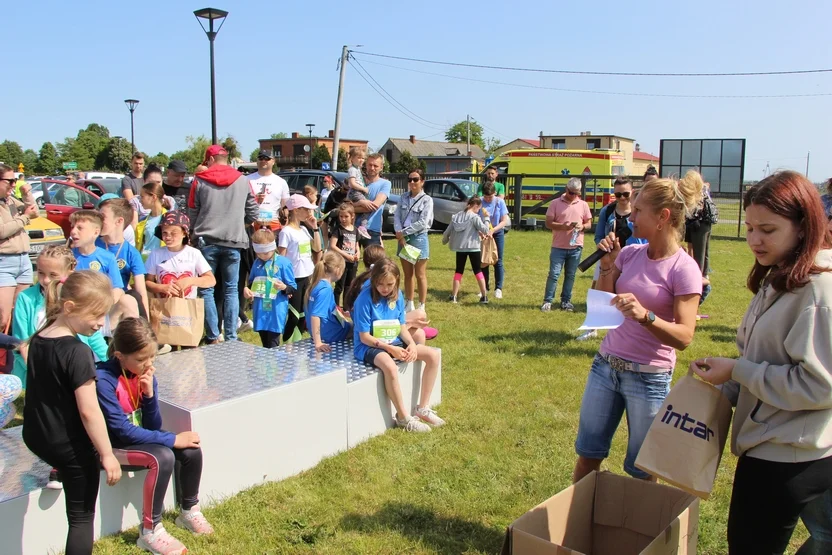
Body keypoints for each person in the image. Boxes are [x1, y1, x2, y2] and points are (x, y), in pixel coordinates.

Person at [690, 171, 832, 554]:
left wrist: (738, 371)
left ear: (803, 226)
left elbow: (820, 386)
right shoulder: (780, 276)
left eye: (767, 229)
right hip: (776, 445)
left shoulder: (817, 289)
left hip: (789, 456)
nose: (754, 239)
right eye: (750, 227)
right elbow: (761, 358)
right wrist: (721, 383)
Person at [572, 173, 702, 484]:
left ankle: (635, 530)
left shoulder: (684, 269)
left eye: (639, 209)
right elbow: (604, 309)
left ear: (663, 217)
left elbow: (685, 337)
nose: (632, 215)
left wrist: (647, 316)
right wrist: (606, 264)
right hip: (606, 368)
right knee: (588, 454)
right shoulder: (629, 253)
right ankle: (574, 526)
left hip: (649, 379)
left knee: (642, 470)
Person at [22, 271, 122, 555]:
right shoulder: (78, 352)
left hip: (37, 436)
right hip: (69, 447)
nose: (101, 323)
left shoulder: (39, 336)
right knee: (81, 518)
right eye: (96, 315)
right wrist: (106, 454)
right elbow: (90, 412)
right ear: (69, 308)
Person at [96, 318, 214, 554]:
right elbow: (121, 430)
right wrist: (172, 439)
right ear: (119, 356)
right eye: (141, 359)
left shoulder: (145, 374)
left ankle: (189, 510)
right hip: (112, 446)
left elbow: (153, 425)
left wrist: (149, 395)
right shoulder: (103, 380)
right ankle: (150, 530)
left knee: (191, 449)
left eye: (152, 357)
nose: (148, 364)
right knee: (162, 457)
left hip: (137, 439)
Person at [351, 259, 443, 433]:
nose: (385, 288)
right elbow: (364, 337)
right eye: (380, 284)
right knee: (389, 366)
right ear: (374, 281)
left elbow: (401, 326)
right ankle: (403, 417)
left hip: (392, 340)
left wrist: (412, 344)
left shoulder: (398, 295)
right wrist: (389, 348)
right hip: (369, 345)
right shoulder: (364, 299)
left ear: (397, 281)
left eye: (390, 284)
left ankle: (422, 408)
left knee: (433, 355)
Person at [187, 145, 258, 343]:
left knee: (207, 289)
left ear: (210, 159)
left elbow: (193, 209)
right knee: (231, 289)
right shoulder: (243, 180)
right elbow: (253, 211)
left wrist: (192, 234)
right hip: (234, 240)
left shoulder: (199, 180)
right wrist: (240, 222)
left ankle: (212, 334)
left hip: (206, 241)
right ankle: (231, 336)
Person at [13, 246, 109, 387]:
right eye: (40, 273)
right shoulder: (26, 298)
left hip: (69, 364)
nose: (45, 280)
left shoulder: (75, 297)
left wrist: (112, 363)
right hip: (32, 374)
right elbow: (21, 342)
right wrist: (37, 374)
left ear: (70, 273)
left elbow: (93, 336)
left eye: (53, 275)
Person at [578, 177, 646, 340]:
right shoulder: (607, 211)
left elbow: (645, 240)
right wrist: (602, 245)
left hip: (632, 260)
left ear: (632, 193)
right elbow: (598, 235)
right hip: (608, 257)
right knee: (598, 293)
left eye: (625, 194)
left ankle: (630, 333)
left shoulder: (639, 214)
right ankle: (592, 328)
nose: (622, 198)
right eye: (618, 194)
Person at [144, 211, 216, 349]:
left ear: (184, 233)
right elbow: (148, 282)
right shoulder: (156, 254)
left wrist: (190, 281)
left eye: (173, 233)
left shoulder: (193, 254)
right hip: (164, 311)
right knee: (167, 350)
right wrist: (161, 288)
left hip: (187, 313)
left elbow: (210, 280)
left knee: (188, 352)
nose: (168, 237)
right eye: (165, 233)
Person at [69, 210, 139, 336]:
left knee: (129, 300)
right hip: (76, 317)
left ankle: (132, 347)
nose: (73, 231)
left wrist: (100, 307)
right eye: (72, 227)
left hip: (100, 315)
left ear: (96, 232)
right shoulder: (67, 257)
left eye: (80, 228)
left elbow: (118, 289)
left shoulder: (107, 257)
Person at [540, 178, 592, 313]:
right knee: (554, 274)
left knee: (570, 275)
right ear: (565, 189)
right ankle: (547, 301)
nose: (573, 196)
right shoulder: (555, 203)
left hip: (576, 247)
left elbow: (589, 223)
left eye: (576, 193)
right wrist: (562, 226)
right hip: (558, 246)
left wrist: (582, 226)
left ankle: (566, 301)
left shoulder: (583, 205)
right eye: (571, 192)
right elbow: (548, 223)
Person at [243, 228, 296, 349]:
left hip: (276, 310)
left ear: (273, 248)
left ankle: (274, 366)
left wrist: (284, 287)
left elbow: (292, 287)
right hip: (261, 309)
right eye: (258, 253)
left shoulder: (283, 263)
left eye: (265, 253)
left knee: (273, 344)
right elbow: (252, 283)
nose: (262, 256)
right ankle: (266, 366)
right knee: (264, 344)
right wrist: (247, 290)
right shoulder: (257, 263)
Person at [278, 194, 322, 342]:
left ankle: (296, 344)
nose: (310, 213)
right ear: (296, 210)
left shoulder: (303, 229)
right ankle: (285, 344)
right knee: (294, 315)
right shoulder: (286, 232)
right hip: (293, 279)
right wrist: (284, 282)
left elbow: (316, 248)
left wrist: (315, 228)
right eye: (307, 209)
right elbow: (281, 257)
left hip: (307, 276)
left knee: (304, 315)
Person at [0, 164, 38, 333]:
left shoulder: (10, 201)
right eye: (10, 181)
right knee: (3, 317)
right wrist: (24, 218)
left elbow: (34, 212)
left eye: (14, 180)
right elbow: (2, 231)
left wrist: (27, 195)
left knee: (20, 315)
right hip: (4, 262)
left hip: (23, 260)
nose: (13, 184)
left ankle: (15, 354)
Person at [97, 199, 149, 320]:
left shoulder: (131, 253)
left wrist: (148, 324)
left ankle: (141, 335)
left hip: (118, 304)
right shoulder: (92, 245)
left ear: (119, 221)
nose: (97, 221)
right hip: (94, 301)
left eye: (102, 217)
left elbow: (141, 292)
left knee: (133, 296)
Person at [394, 169, 433, 312]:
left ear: (422, 181)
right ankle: (409, 302)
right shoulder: (403, 197)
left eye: (415, 179)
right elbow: (397, 215)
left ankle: (422, 304)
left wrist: (403, 233)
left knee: (420, 274)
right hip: (403, 239)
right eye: (409, 179)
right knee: (407, 273)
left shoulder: (427, 200)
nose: (412, 182)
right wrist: (399, 232)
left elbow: (423, 222)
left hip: (418, 238)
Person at [443, 196, 490, 304]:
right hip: (473, 248)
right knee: (478, 271)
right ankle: (484, 296)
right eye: (478, 209)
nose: (478, 211)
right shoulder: (475, 217)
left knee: (459, 271)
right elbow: (486, 230)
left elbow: (447, 232)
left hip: (460, 248)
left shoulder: (456, 216)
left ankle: (454, 296)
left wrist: (444, 241)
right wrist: (487, 218)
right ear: (476, 206)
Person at [305, 252, 350, 352]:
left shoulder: (316, 284)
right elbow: (315, 315)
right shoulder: (326, 289)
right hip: (331, 333)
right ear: (338, 270)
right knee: (360, 330)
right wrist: (318, 343)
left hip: (324, 331)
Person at [352, 153, 391, 247]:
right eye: (370, 165)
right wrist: (360, 203)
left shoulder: (385, 184)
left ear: (381, 167)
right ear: (366, 165)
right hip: (352, 228)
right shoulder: (358, 182)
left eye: (375, 166)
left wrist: (352, 208)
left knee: (373, 260)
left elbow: (374, 206)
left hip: (371, 230)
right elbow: (345, 203)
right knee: (350, 260)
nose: (372, 168)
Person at [479, 182, 509, 299]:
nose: (487, 199)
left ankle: (498, 288)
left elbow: (504, 220)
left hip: (497, 233)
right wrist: (481, 232)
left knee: (498, 260)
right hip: (483, 234)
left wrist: (493, 230)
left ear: (494, 193)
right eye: (486, 197)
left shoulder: (499, 202)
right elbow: (475, 218)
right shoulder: (480, 202)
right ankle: (484, 288)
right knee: (484, 261)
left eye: (490, 197)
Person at [248, 150, 289, 233]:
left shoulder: (281, 182)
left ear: (273, 161)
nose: (263, 161)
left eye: (267, 158)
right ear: (257, 161)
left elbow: (286, 206)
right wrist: (255, 199)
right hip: (252, 225)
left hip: (274, 226)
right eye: (260, 158)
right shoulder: (247, 179)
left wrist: (285, 224)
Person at [329, 201, 360, 307]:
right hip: (341, 262)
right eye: (341, 216)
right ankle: (335, 307)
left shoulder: (355, 230)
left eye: (346, 216)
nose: (343, 219)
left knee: (349, 286)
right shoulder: (338, 229)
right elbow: (333, 245)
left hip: (352, 263)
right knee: (339, 286)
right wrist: (346, 256)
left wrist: (358, 253)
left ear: (352, 216)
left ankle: (346, 307)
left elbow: (356, 244)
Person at [135, 181, 167, 258]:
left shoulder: (169, 219)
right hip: (146, 261)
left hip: (163, 261)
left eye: (142, 197)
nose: (140, 200)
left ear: (153, 197)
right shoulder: (143, 221)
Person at [345, 147, 369, 236]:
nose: (361, 160)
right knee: (368, 207)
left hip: (357, 192)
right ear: (351, 158)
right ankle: (363, 227)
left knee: (357, 210)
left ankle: (354, 226)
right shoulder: (352, 169)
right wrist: (363, 189)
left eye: (363, 158)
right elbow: (352, 184)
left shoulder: (357, 169)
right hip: (356, 192)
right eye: (359, 158)